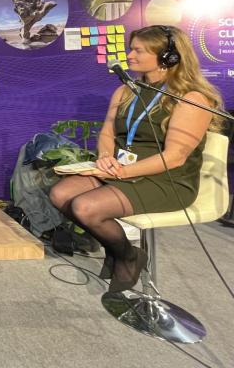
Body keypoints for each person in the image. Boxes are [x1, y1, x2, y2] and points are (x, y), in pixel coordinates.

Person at [49, 25, 223, 292]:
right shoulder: (126, 91)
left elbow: (174, 157)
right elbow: (108, 131)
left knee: (85, 208)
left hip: (166, 180)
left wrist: (118, 173)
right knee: (60, 194)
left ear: (168, 57)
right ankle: (119, 248)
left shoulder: (191, 98)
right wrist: (106, 158)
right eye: (131, 48)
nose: (129, 55)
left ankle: (128, 257)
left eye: (138, 50)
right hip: (122, 170)